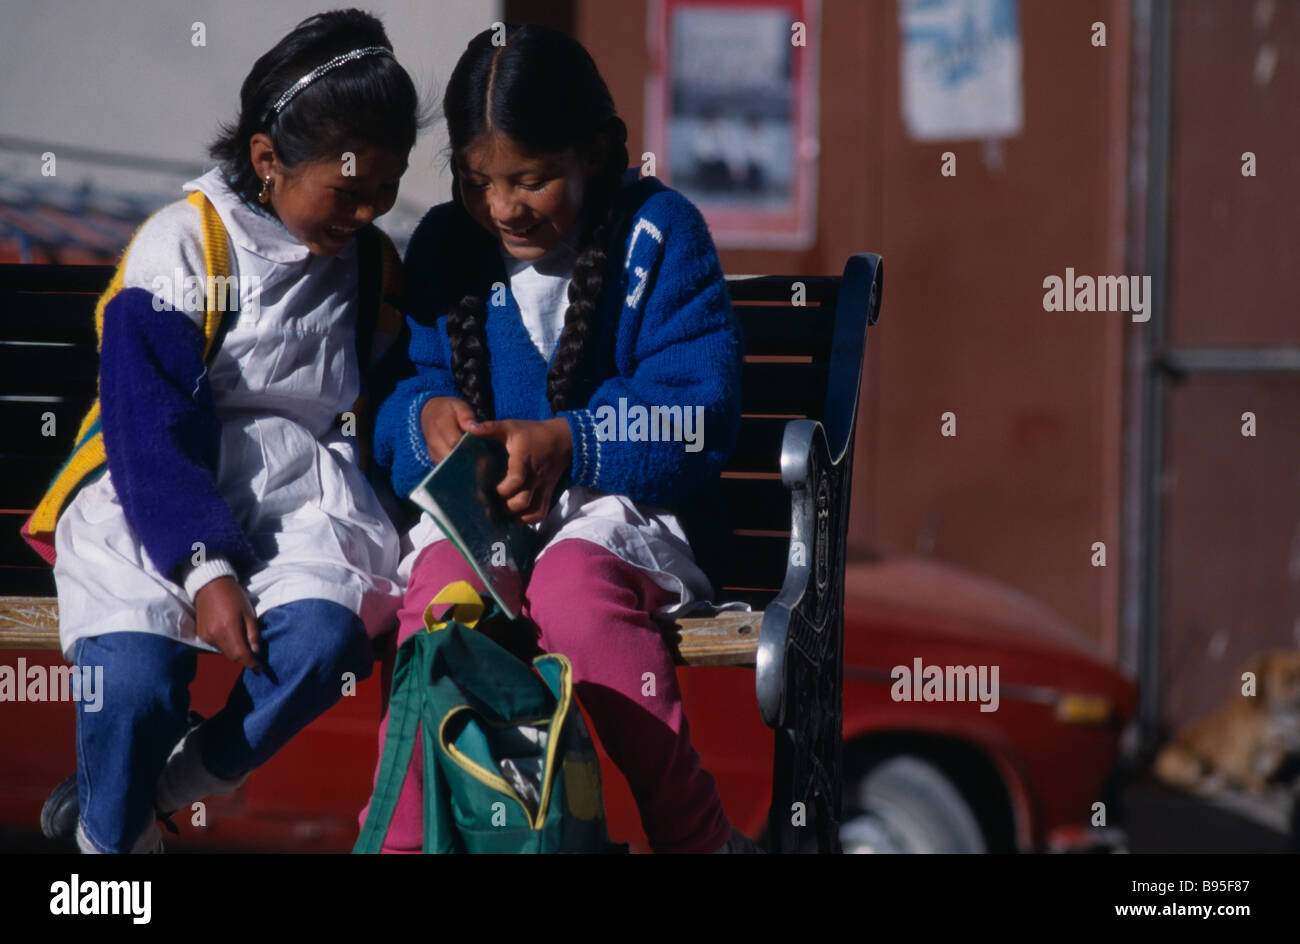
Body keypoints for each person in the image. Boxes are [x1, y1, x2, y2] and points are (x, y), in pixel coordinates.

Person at [365, 23, 759, 853]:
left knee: (574, 600)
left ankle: (699, 836)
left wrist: (571, 443)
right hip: (488, 530)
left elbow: (700, 412)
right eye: (478, 182)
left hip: (620, 518)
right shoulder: (446, 244)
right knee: (440, 604)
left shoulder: (659, 235)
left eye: (533, 180)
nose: (503, 206)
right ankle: (403, 841)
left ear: (598, 151)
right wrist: (424, 419)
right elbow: (405, 388)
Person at [40, 9, 421, 853]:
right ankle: (109, 850)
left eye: (384, 193)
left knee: (324, 646)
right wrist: (205, 567)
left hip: (298, 501)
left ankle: (172, 784)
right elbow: (149, 428)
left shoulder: (370, 269)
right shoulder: (183, 247)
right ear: (265, 159)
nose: (365, 214)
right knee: (135, 683)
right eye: (347, 190)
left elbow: (391, 401)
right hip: (156, 493)